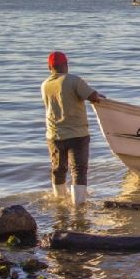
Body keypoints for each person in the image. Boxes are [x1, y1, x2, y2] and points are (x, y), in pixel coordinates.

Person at [41, 51, 104, 206]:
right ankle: (78, 207)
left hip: (54, 135)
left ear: (49, 67)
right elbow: (93, 97)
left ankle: (59, 202)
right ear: (66, 65)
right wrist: (100, 97)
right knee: (78, 170)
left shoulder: (45, 85)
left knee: (58, 169)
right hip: (77, 135)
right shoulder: (74, 81)